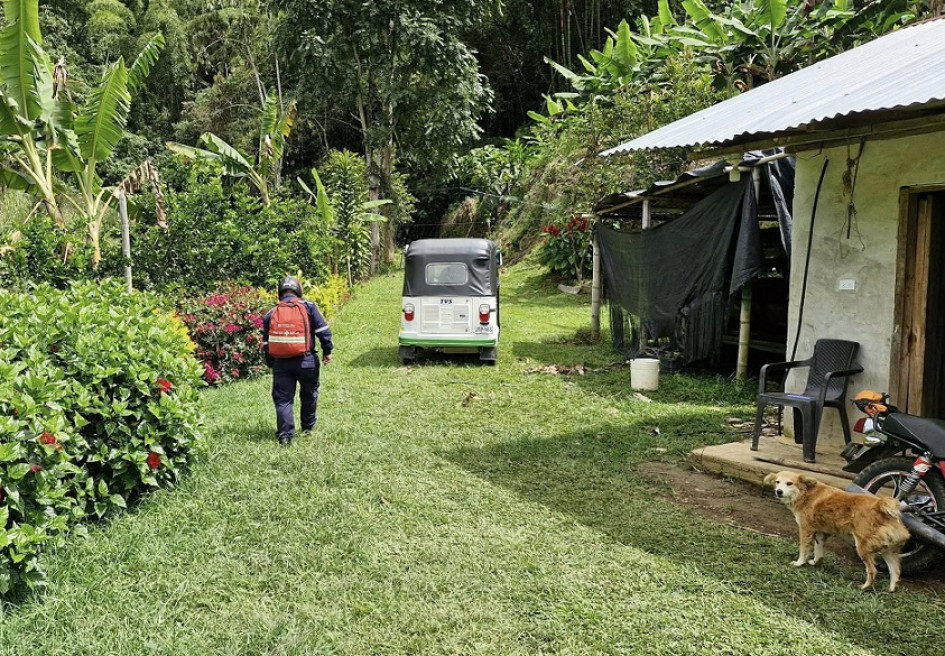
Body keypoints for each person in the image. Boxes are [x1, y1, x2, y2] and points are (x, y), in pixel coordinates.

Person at [262, 276, 333, 446]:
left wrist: (271, 363)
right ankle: (308, 426)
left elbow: (266, 343)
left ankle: (285, 436)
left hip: (282, 364)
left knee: (283, 399)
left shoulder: (271, 313)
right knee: (309, 394)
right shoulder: (309, 307)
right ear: (298, 291)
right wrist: (327, 351)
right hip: (306, 362)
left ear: (280, 292)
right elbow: (323, 331)